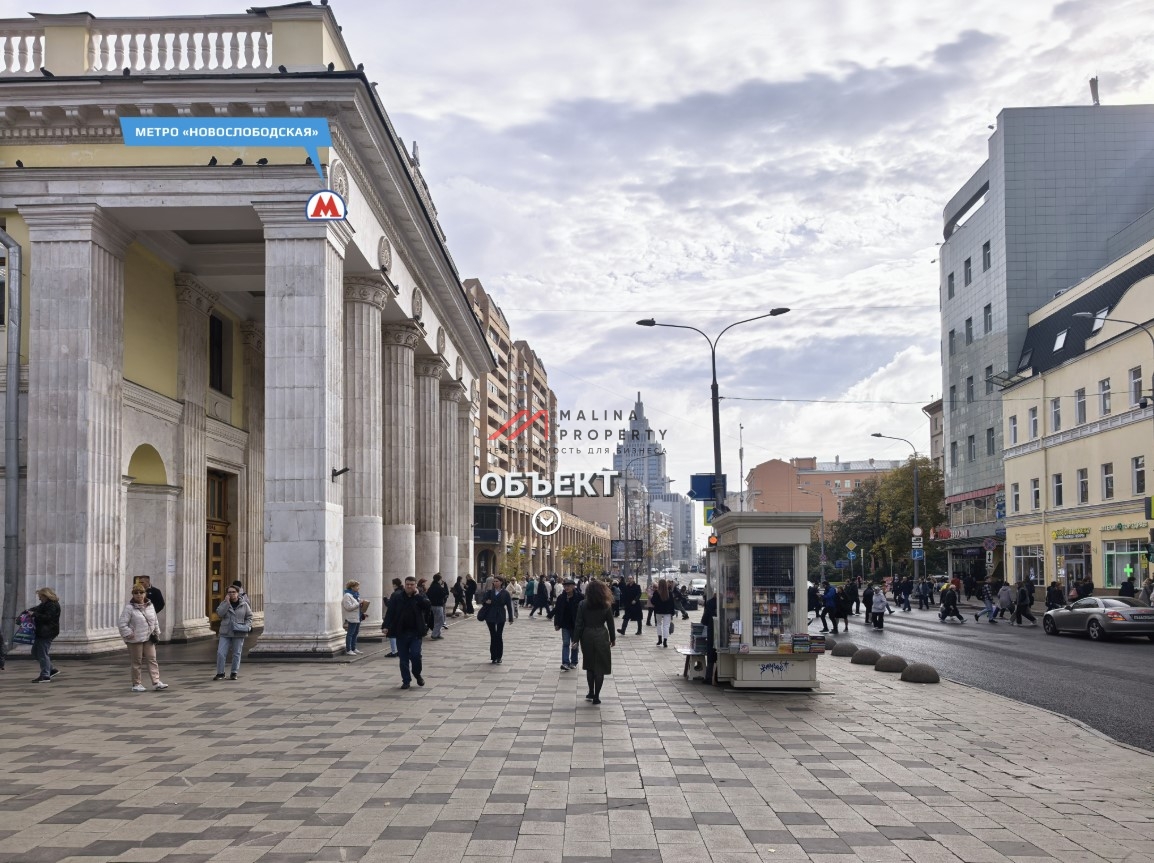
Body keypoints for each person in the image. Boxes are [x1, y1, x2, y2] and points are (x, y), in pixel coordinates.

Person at [382, 575, 431, 689]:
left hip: (415, 633)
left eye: (412, 585)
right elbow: (390, 612)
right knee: (403, 658)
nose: (409, 586)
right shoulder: (397, 596)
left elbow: (427, 606)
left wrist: (418, 596)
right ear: (404, 585)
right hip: (401, 632)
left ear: (415, 585)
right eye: (407, 584)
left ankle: (417, 674)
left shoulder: (420, 596)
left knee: (416, 655)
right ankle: (406, 680)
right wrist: (385, 626)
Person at [574, 579, 616, 705]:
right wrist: (613, 638)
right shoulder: (606, 605)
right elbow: (611, 624)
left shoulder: (582, 604)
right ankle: (597, 696)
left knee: (590, 666)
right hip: (602, 635)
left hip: (587, 635)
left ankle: (591, 691)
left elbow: (578, 624)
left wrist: (575, 639)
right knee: (600, 668)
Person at [118, 585, 167, 691]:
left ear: (145, 593)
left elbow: (155, 620)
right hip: (135, 639)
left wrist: (156, 632)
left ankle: (156, 682)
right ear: (133, 594)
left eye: (141, 592)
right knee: (137, 661)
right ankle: (136, 684)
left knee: (152, 659)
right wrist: (129, 633)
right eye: (136, 593)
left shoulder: (150, 606)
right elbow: (122, 624)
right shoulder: (129, 608)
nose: (139, 595)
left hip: (148, 637)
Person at [214, 584, 253, 680]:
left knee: (236, 653)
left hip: (239, 631)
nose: (231, 594)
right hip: (225, 632)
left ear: (238, 593)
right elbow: (220, 614)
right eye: (229, 592)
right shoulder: (224, 603)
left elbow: (249, 617)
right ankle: (220, 673)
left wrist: (246, 626)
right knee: (221, 653)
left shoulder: (244, 605)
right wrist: (227, 603)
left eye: (233, 592)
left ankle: (234, 672)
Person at [27, 587, 61, 683]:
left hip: (47, 632)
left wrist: (34, 614)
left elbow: (48, 618)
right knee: (35, 652)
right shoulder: (45, 604)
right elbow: (36, 609)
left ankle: (45, 675)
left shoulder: (52, 605)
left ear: (46, 596)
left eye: (40, 596)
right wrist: (27, 611)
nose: (39, 598)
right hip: (42, 632)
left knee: (42, 653)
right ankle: (51, 670)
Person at [480, 576, 515, 663]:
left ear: (501, 582)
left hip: (501, 615)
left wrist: (511, 618)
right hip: (490, 615)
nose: (495, 583)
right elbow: (483, 600)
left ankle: (499, 657)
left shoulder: (505, 593)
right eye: (494, 581)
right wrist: (486, 601)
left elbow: (509, 606)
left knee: (499, 635)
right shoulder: (489, 592)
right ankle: (493, 657)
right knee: (493, 636)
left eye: (497, 581)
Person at [553, 578, 581, 671]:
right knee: (565, 643)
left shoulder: (579, 597)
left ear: (573, 586)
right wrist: (557, 623)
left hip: (575, 625)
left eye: (568, 586)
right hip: (565, 624)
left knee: (574, 643)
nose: (566, 588)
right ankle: (565, 663)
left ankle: (574, 662)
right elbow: (557, 611)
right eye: (565, 586)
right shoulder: (561, 598)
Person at [651, 579, 676, 648]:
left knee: (659, 625)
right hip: (667, 612)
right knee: (666, 626)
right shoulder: (669, 593)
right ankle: (665, 641)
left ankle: (659, 640)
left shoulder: (656, 592)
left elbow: (653, 601)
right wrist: (672, 612)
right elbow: (672, 604)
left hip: (658, 611)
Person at [341, 580, 364, 655]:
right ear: (352, 587)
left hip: (358, 617)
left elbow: (357, 606)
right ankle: (349, 649)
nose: (358, 588)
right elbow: (348, 607)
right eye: (357, 586)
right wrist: (358, 603)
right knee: (350, 633)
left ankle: (354, 648)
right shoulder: (347, 596)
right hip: (352, 617)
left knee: (355, 633)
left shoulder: (355, 595)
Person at [382, 578, 402, 656]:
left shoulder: (395, 594)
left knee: (392, 634)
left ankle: (394, 651)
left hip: (394, 617)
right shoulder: (403, 592)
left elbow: (390, 606)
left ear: (395, 585)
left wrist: (385, 599)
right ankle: (399, 650)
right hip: (402, 616)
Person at [427, 573, 449, 638]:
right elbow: (446, 594)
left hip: (432, 605)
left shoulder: (431, 587)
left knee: (436, 620)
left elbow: (427, 595)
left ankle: (438, 634)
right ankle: (434, 634)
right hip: (438, 605)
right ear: (439, 580)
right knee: (440, 621)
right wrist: (445, 585)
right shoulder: (439, 587)